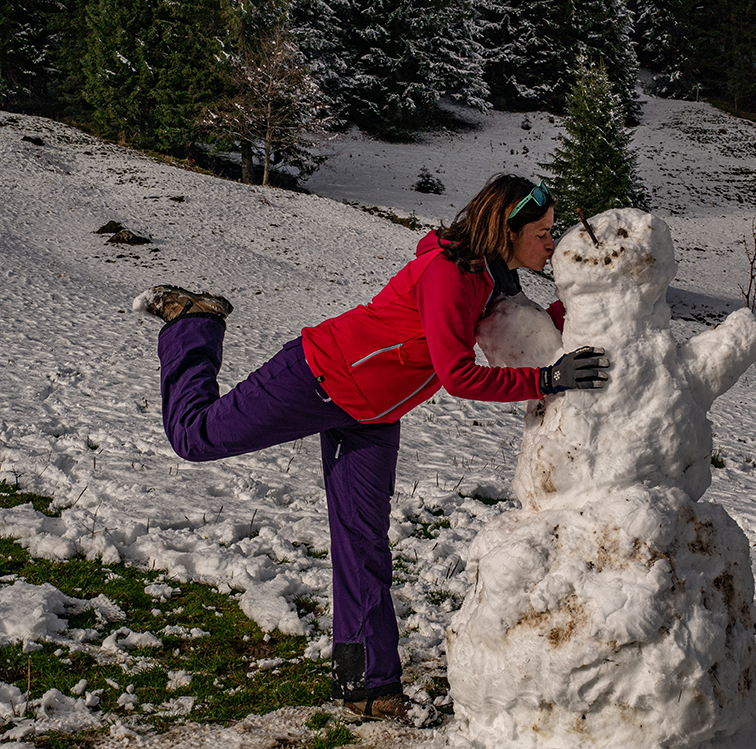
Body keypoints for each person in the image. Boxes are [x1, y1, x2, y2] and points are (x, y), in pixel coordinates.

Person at [139, 174, 610, 724]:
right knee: (194, 437)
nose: (551, 244)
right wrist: (548, 381)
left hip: (372, 412)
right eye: (544, 232)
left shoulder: (491, 275)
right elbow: (457, 377)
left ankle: (369, 683)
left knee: (362, 541)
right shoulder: (449, 276)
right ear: (508, 228)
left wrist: (588, 308)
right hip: (319, 375)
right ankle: (193, 323)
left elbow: (523, 329)